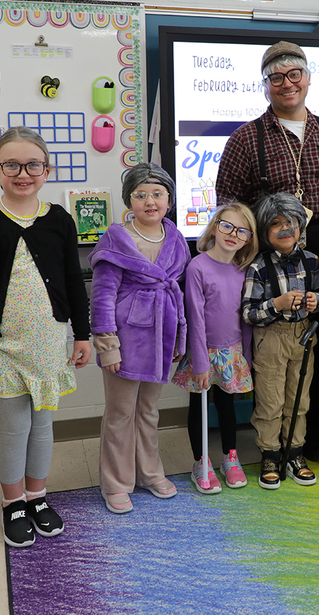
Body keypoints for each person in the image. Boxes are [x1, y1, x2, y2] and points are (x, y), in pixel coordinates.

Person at [216, 40, 319, 462]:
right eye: (276, 77)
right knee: (276, 352)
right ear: (265, 86)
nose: (286, 83)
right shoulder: (245, 139)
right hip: (271, 259)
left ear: (308, 78)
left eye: (294, 74)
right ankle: (272, 441)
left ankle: (312, 437)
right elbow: (229, 204)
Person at [0, 126, 93, 547]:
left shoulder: (59, 220)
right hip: (1, 346)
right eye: (11, 164)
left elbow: (73, 279)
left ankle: (37, 496)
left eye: (32, 164)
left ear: (46, 170)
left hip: (48, 341)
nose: (23, 172)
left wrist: (82, 335)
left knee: (43, 425)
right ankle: (12, 503)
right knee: (14, 427)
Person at [90, 163, 190, 513]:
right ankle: (116, 483)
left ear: (169, 200)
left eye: (158, 194)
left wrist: (180, 338)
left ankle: (150, 473)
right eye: (141, 194)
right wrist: (107, 347)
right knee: (120, 413)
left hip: (161, 334)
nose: (151, 201)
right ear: (129, 200)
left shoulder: (175, 237)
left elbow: (179, 291)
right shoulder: (116, 239)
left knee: (148, 410)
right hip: (126, 337)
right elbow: (102, 297)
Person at [172, 203, 259, 493]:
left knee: (227, 405)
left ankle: (230, 458)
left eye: (241, 231)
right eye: (227, 226)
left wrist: (246, 356)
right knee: (199, 406)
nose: (233, 234)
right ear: (214, 226)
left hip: (232, 352)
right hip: (203, 352)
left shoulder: (243, 270)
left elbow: (246, 318)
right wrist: (200, 363)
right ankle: (201, 461)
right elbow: (194, 318)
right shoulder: (197, 266)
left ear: (249, 238)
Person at [241, 192, 319, 490]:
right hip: (270, 339)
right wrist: (277, 303)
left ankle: (295, 452)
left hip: (303, 337)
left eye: (291, 222)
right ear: (264, 231)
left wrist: (316, 300)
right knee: (270, 400)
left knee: (299, 398)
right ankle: (270, 455)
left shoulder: (313, 261)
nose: (286, 229)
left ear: (301, 225)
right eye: (276, 224)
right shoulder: (259, 266)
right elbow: (249, 313)